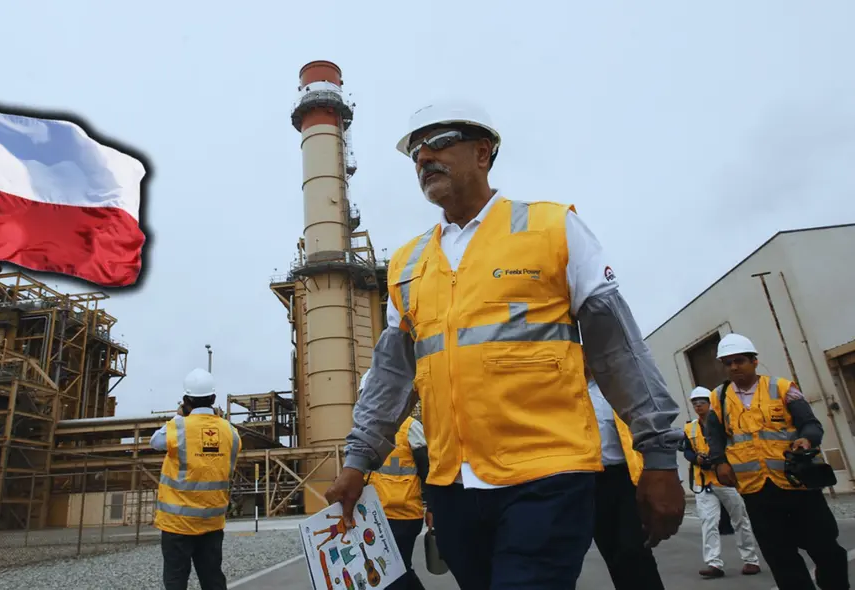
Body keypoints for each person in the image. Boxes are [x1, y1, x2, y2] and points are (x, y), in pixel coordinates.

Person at [325, 100, 686, 589]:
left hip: (547, 477)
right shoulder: (409, 265)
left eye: (439, 141)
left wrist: (659, 457)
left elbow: (619, 352)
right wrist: (357, 460)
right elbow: (391, 378)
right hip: (453, 487)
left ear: (483, 152)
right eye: (415, 151)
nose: (423, 157)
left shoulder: (552, 229)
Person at [705, 333, 848, 590]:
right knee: (780, 557)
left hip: (797, 484)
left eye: (739, 360)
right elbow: (714, 437)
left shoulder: (783, 388)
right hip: (757, 490)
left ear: (754, 361)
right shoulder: (718, 398)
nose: (734, 367)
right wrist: (719, 462)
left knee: (826, 548)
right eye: (728, 363)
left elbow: (810, 424)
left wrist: (807, 440)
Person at [150, 368, 241, 590]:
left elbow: (155, 442)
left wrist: (179, 415)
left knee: (176, 579)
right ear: (213, 398)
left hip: (177, 523)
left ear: (185, 400)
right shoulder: (231, 432)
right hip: (211, 522)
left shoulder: (177, 426)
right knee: (212, 579)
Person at [586, 359, 665, 590]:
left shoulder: (615, 392)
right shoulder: (567, 395)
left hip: (625, 479)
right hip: (589, 483)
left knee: (634, 549)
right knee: (611, 552)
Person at [683, 385, 761, 579]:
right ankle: (714, 563)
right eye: (695, 403)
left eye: (702, 402)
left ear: (710, 404)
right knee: (708, 522)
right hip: (703, 482)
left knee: (740, 519)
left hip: (725, 480)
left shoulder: (723, 424)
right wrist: (696, 459)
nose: (698, 406)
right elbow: (686, 450)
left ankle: (751, 560)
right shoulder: (689, 428)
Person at [362, 370, 430, 590]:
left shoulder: (410, 427)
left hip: (403, 515)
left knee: (395, 572)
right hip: (374, 514)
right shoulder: (365, 431)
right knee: (393, 571)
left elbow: (428, 470)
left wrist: (435, 507)